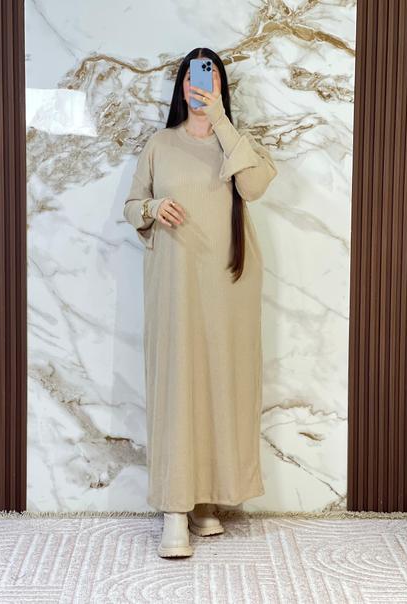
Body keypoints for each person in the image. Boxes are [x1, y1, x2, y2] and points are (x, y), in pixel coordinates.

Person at [123, 48, 277, 558]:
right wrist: (152, 206)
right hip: (174, 288)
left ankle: (206, 497)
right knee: (177, 384)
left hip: (228, 287)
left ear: (220, 86)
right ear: (180, 85)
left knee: (220, 383)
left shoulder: (237, 144)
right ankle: (175, 508)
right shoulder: (160, 144)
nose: (199, 84)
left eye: (208, 76)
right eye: (191, 76)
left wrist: (222, 122)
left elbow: (253, 187)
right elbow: (131, 205)